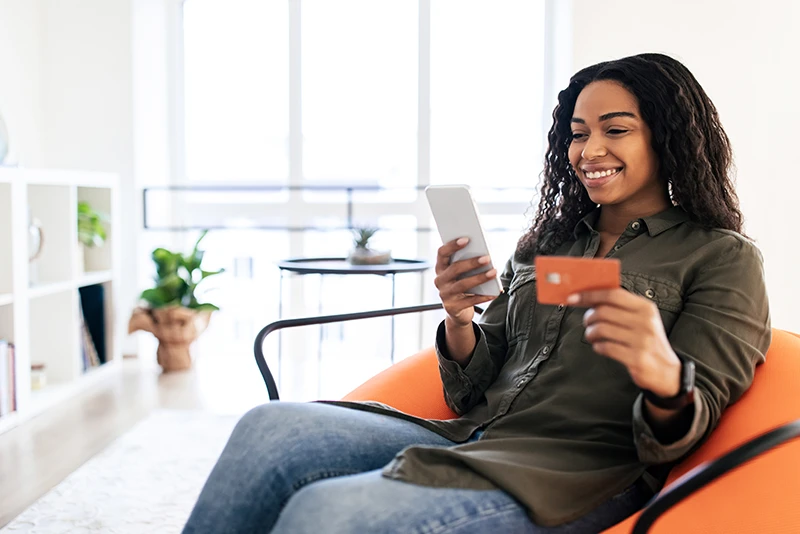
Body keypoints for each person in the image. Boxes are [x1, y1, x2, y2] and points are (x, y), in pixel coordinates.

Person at [182, 53, 771, 533]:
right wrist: (460, 319)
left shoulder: (720, 257)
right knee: (270, 426)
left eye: (615, 130)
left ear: (667, 139)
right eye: (578, 134)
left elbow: (690, 429)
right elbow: (473, 389)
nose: (589, 151)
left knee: (328, 512)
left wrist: (663, 375)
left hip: (572, 472)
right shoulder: (550, 244)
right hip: (472, 436)